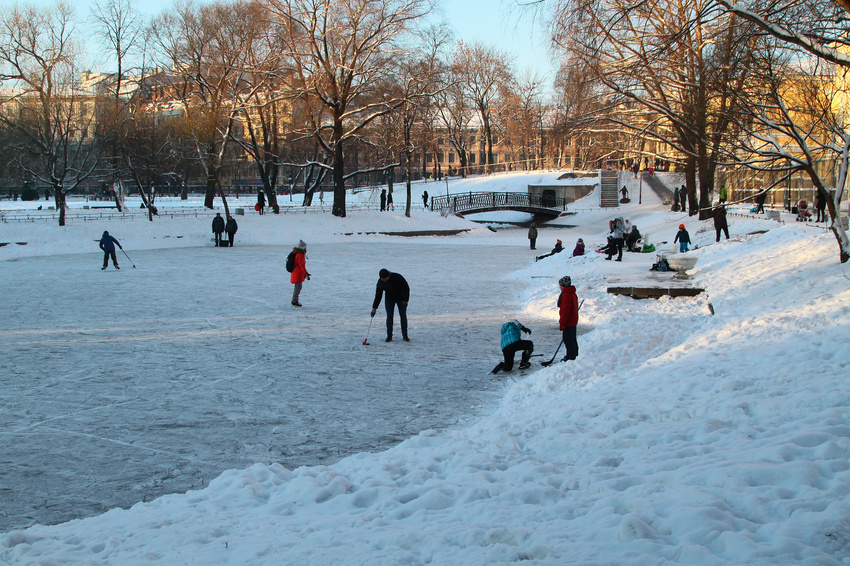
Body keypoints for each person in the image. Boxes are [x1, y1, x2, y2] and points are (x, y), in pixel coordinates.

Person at [371, 269, 410, 342]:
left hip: (401, 299)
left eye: (385, 278)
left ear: (388, 276)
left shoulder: (397, 277)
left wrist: (405, 300)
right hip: (389, 299)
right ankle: (389, 336)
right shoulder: (380, 282)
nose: (384, 280)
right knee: (389, 316)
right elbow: (378, 296)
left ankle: (405, 335)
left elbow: (406, 288)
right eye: (382, 279)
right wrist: (374, 308)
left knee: (403, 315)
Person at [558, 275, 579, 362]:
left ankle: (571, 356)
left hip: (568, 321)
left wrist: (562, 323)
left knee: (568, 339)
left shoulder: (566, 295)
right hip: (573, 319)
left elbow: (565, 311)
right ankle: (574, 354)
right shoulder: (572, 292)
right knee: (572, 338)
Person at [290, 240, 310, 307]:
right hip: (297, 273)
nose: (306, 248)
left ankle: (295, 300)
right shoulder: (300, 254)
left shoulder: (297, 253)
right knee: (298, 287)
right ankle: (294, 301)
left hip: (296, 273)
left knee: (298, 287)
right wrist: (305, 273)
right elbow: (301, 265)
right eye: (305, 247)